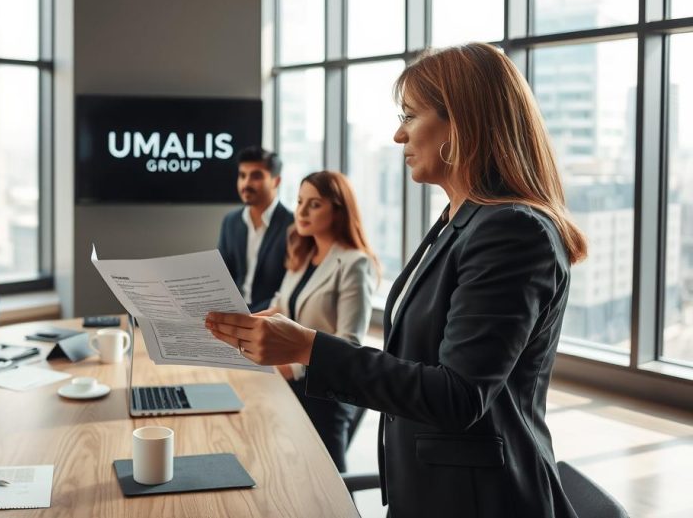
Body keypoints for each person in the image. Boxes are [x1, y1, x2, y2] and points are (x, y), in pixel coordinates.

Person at [206, 43, 587, 517]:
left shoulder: (512, 230)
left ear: (461, 123)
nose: (397, 134)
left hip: (478, 500)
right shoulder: (460, 221)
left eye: (410, 115)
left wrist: (309, 347)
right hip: (429, 486)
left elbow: (458, 394)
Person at [270, 170, 378, 472]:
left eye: (314, 204)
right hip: (288, 390)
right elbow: (280, 307)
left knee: (331, 489)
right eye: (299, 201)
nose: (301, 211)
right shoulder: (302, 254)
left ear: (339, 210)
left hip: (324, 397)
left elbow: (350, 344)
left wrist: (292, 367)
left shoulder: (354, 262)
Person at [218, 146, 294, 313]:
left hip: (272, 316)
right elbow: (222, 276)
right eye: (242, 176)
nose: (246, 183)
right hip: (233, 313)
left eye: (256, 176)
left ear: (276, 181)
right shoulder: (231, 222)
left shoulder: (293, 225)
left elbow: (291, 289)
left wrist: (251, 317)